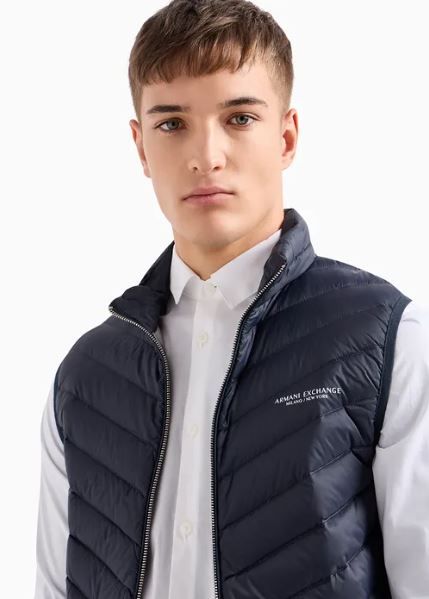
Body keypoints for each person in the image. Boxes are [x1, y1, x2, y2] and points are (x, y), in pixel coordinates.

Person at [34, 1, 429, 598]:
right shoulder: (86, 376)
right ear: (141, 148)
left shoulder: (389, 338)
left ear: (286, 136)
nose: (207, 156)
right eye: (172, 124)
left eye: (239, 118)